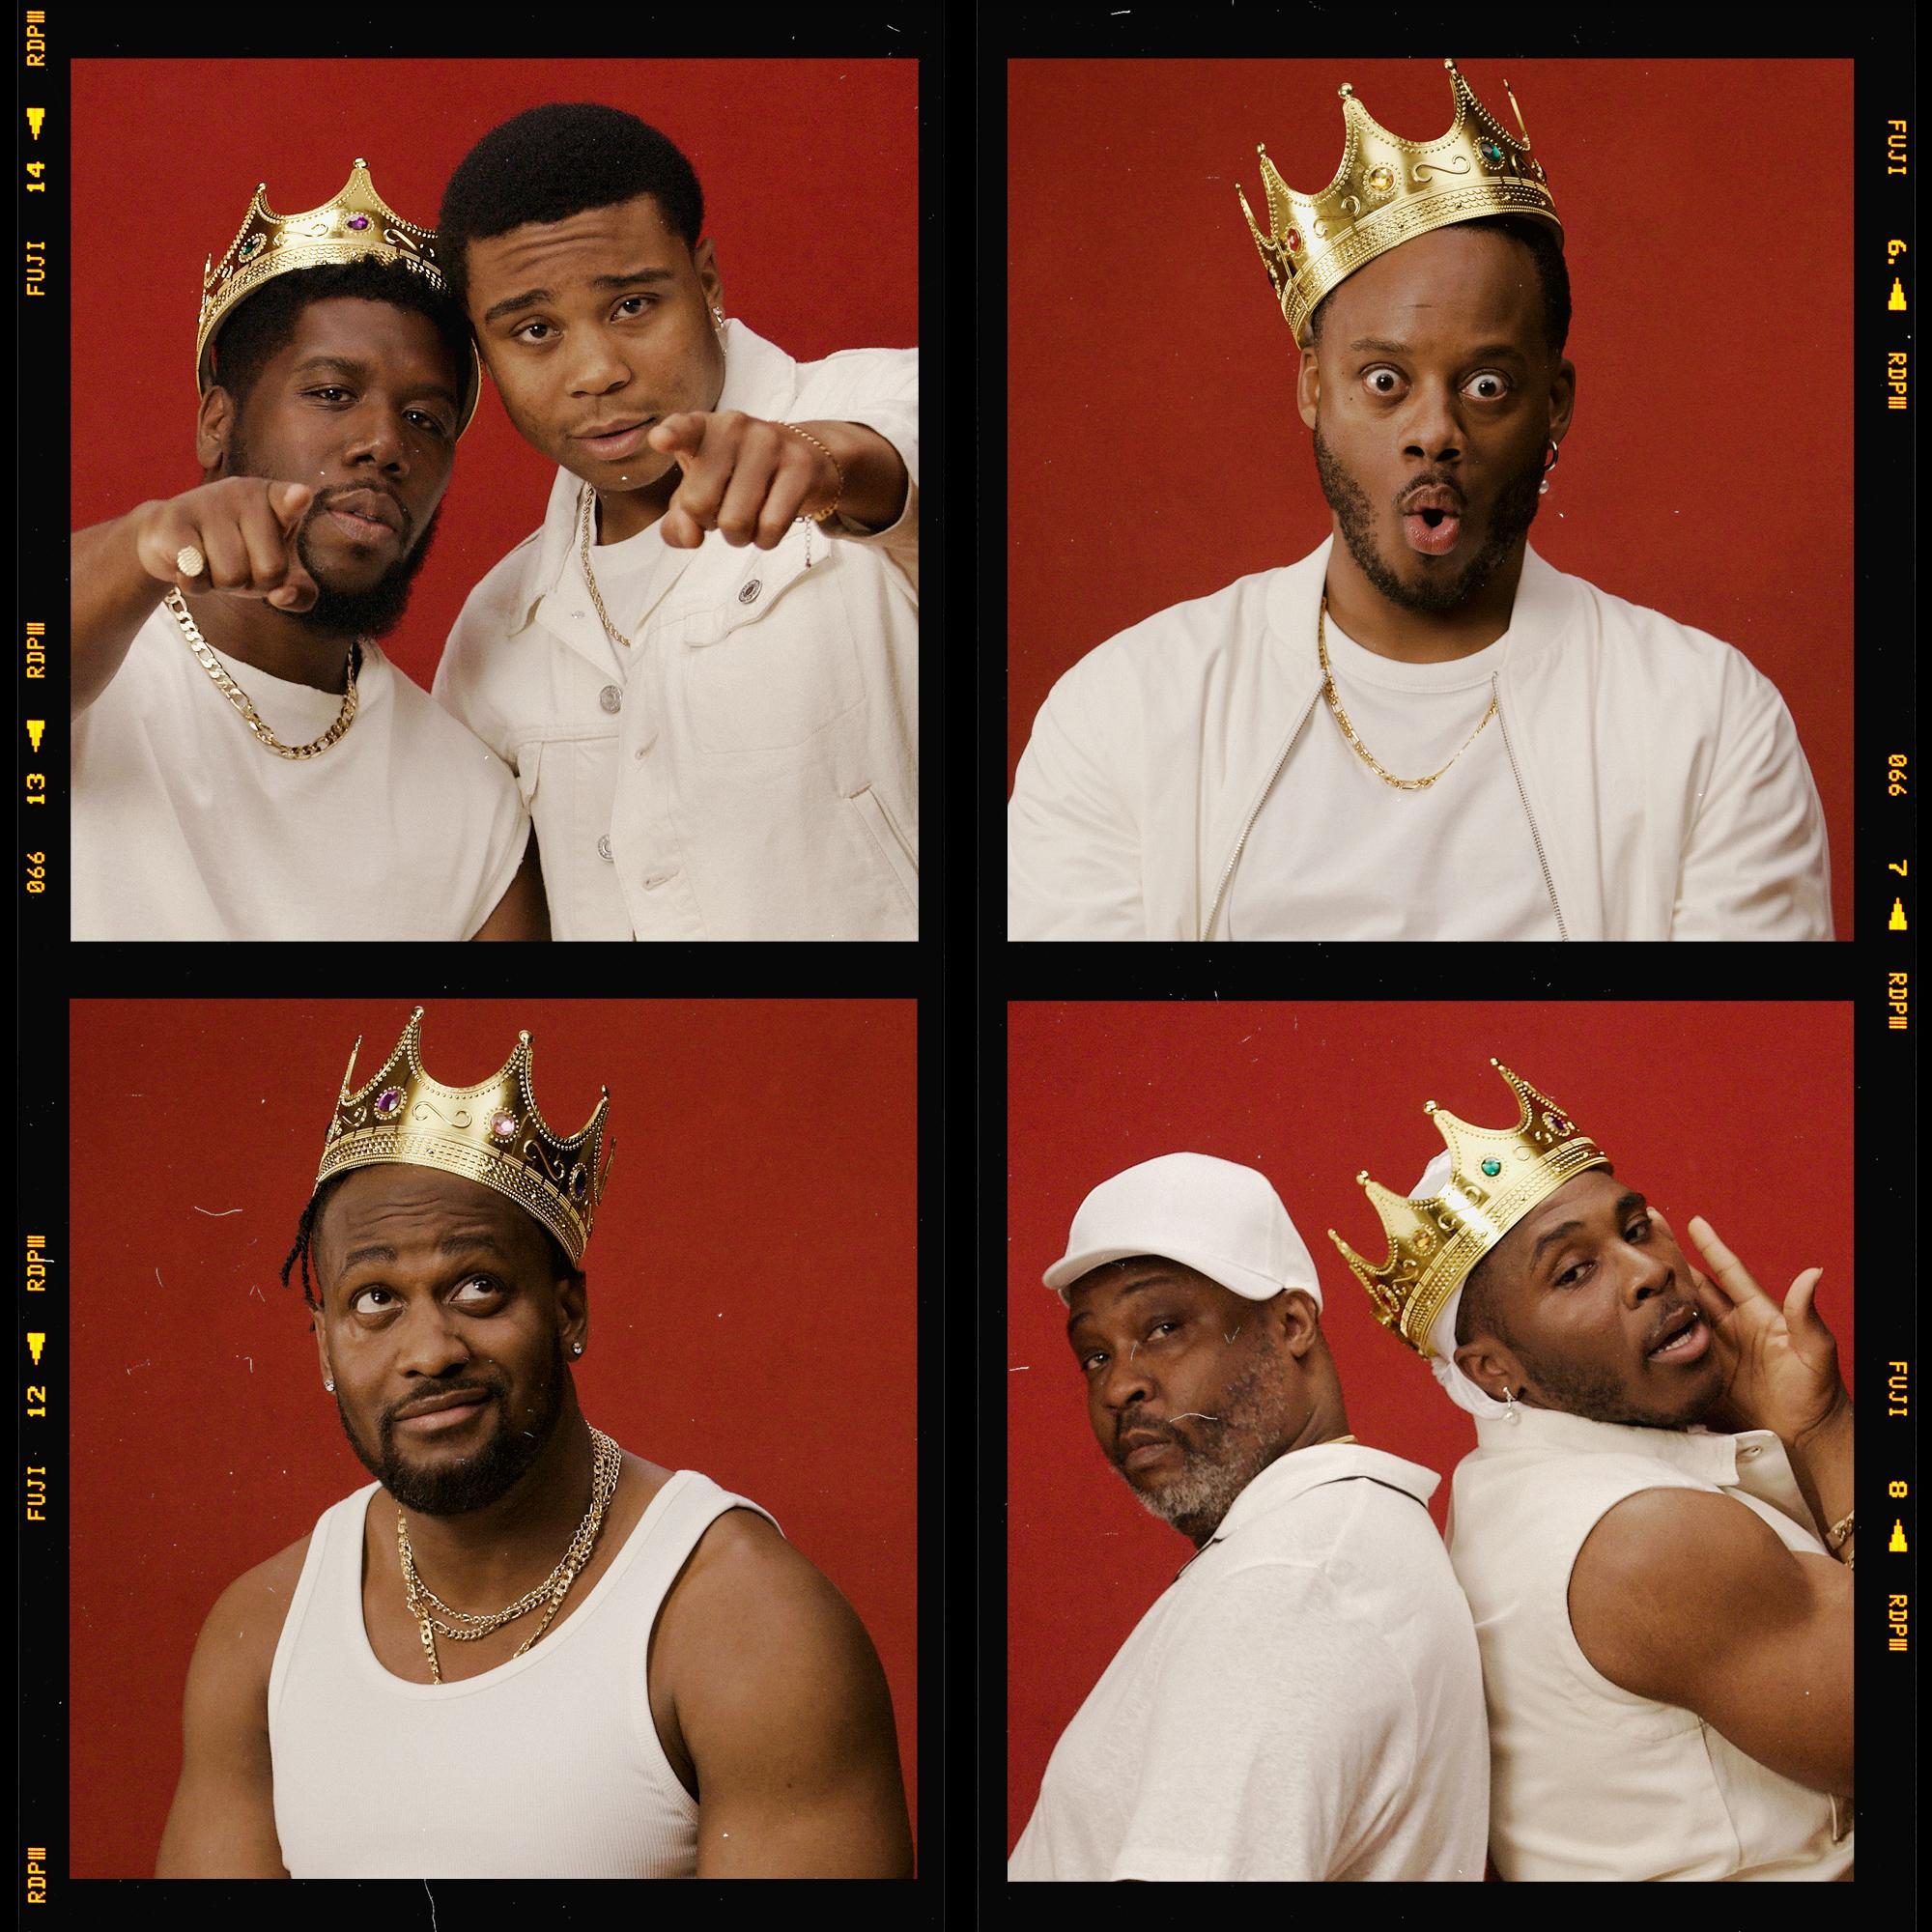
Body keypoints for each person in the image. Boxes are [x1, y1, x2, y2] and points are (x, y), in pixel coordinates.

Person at [1009, 60, 1831, 941]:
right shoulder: (1127, 710)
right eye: (1386, 380)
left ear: (1554, 405)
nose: (1433, 432)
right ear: (1312, 390)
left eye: (1485, 385)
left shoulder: (1710, 723)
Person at [155, 1008, 912, 1879]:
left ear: (567, 1311)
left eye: (477, 1287)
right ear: (324, 1345)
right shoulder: (265, 1629)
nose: (429, 1352)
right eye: (374, 1301)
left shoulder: (739, 1621)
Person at [1329, 1060, 1854, 1880]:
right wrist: (1823, 1431)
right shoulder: (1640, 1537)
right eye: (1575, 1272)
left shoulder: (1507, 1489)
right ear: (1495, 1370)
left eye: (1636, 1228)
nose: (1649, 1271)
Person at [431, 103, 918, 941]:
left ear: (708, 280)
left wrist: (826, 462)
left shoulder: (882, 400)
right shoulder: (495, 627)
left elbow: (896, 456)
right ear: (484, 355)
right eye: (535, 331)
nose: (597, 371)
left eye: (631, 306)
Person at [71, 159, 543, 942]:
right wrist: (142, 543)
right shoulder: (97, 671)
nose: (384, 444)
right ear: (217, 423)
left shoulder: (477, 805)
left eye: (426, 419)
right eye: (332, 393)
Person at [1009, 1151, 1487, 1882]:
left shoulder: (1292, 1583)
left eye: (1163, 1327)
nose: (1120, 1387)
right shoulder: (1312, 1546)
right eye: (1094, 1355)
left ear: (1292, 1323)